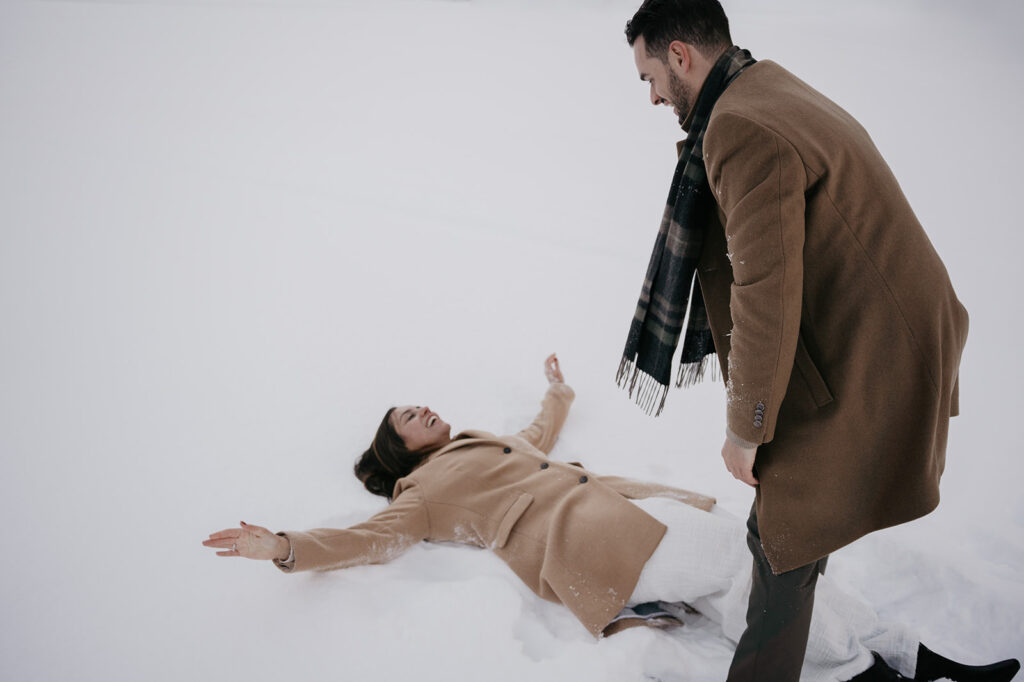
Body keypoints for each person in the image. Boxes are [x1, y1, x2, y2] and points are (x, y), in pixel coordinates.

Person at [203, 356, 1017, 682]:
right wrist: (282, 546)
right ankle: (870, 671)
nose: (421, 407)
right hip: (599, 543)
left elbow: (537, 437)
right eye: (405, 417)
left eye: (417, 404)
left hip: (629, 513)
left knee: (770, 560)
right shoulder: (422, 496)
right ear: (398, 452)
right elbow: (367, 540)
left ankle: (910, 655)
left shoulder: (481, 443)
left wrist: (556, 390)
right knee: (757, 566)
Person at [616, 1, 975, 680]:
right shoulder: (763, 84)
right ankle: (864, 658)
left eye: (649, 76)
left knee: (780, 535)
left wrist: (746, 427)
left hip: (871, 345)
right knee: (788, 531)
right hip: (872, 330)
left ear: (681, 55)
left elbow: (764, 290)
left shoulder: (739, 127)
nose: (654, 95)